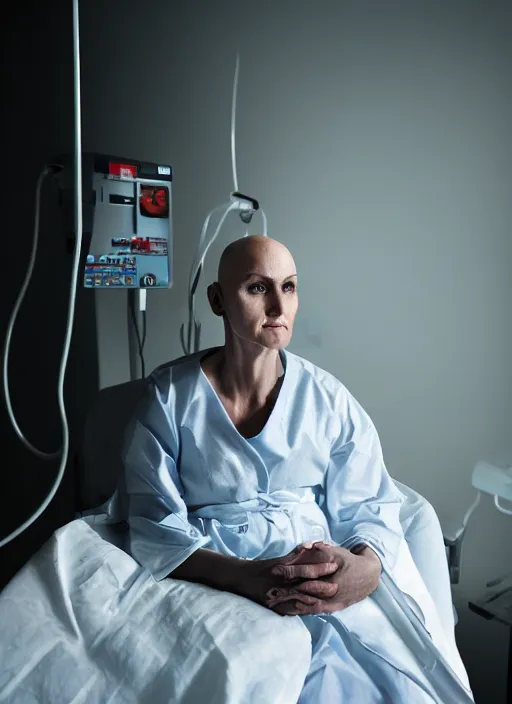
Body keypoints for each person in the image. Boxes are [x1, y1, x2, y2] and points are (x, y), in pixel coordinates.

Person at [115, 235, 473, 702]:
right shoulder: (169, 398)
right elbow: (155, 524)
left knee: (373, 680)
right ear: (218, 299)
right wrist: (246, 576)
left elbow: (370, 502)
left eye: (289, 286)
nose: (279, 305)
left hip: (317, 569)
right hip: (216, 577)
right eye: (258, 288)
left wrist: (366, 567)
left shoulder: (327, 399)